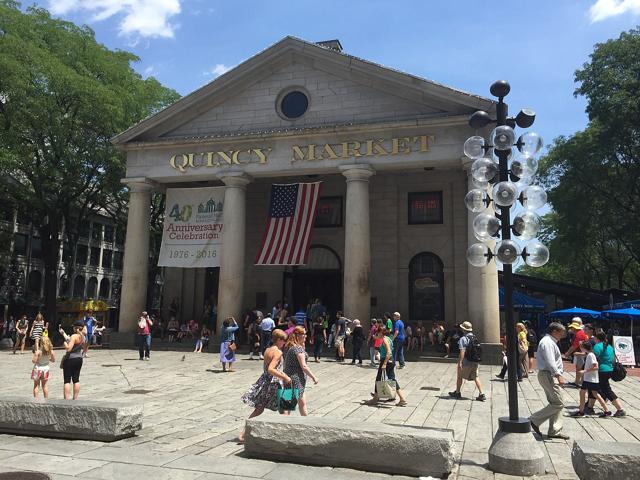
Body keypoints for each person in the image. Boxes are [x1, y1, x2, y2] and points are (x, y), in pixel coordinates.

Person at [239, 329, 291, 442]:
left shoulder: (267, 350)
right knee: (285, 407)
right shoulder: (278, 352)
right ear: (278, 340)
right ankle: (284, 434)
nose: (285, 343)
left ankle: (243, 433)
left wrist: (283, 374)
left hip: (265, 381)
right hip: (274, 383)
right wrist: (285, 377)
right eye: (284, 340)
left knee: (259, 409)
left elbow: (270, 369)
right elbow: (271, 369)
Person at [529, 322, 569, 440]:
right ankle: (534, 420)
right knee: (558, 403)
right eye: (562, 332)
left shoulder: (549, 342)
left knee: (556, 402)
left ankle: (554, 430)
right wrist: (557, 374)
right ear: (555, 331)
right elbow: (550, 360)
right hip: (549, 374)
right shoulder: (548, 342)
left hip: (548, 374)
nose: (563, 335)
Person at [364, 326, 407, 407]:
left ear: (381, 332)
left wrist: (384, 363)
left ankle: (376, 399)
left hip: (386, 361)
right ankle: (401, 399)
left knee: (381, 379)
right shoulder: (388, 338)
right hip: (390, 361)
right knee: (389, 379)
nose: (377, 334)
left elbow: (388, 352)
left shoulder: (384, 340)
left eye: (378, 332)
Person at [586, 332, 626, 417]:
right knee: (594, 388)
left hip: (601, 370)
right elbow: (612, 359)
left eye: (594, 338)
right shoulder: (610, 347)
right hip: (609, 370)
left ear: (597, 338)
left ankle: (620, 409)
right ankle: (589, 407)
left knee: (605, 390)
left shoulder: (597, 346)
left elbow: (593, 357)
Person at [283, 326, 318, 416]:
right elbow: (304, 366)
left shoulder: (289, 347)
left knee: (287, 403)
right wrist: (313, 377)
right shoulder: (298, 349)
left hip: (287, 377)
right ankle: (306, 423)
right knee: (302, 404)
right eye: (304, 334)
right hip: (296, 378)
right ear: (298, 336)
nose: (306, 336)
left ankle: (283, 422)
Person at [570, 341, 610, 417]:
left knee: (589, 394)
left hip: (590, 379)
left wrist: (584, 371)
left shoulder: (591, 355)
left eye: (581, 347)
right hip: (589, 379)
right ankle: (606, 411)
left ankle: (582, 411)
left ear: (584, 347)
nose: (580, 348)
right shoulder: (589, 354)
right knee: (591, 394)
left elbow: (596, 367)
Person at [449, 321, 486, 401]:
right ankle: (481, 393)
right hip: (475, 361)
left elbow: (462, 351)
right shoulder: (474, 337)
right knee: (475, 376)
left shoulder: (463, 339)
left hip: (467, 361)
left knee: (459, 376)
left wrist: (460, 362)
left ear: (463, 329)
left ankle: (458, 392)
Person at [59, 319, 85, 400]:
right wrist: (63, 334)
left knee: (67, 380)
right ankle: (75, 398)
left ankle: (66, 400)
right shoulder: (82, 336)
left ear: (75, 328)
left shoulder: (74, 336)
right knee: (76, 379)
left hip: (70, 359)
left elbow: (69, 349)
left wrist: (65, 344)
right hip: (79, 358)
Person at [563, 317, 588, 387]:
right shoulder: (579, 333)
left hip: (581, 354)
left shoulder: (579, 334)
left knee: (580, 368)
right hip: (579, 353)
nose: (571, 328)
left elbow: (574, 346)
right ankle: (577, 382)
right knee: (578, 368)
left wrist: (567, 353)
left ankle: (581, 383)